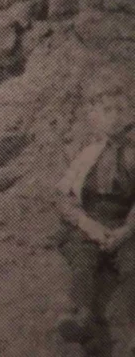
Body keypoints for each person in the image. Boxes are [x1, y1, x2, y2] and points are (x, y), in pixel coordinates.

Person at [55, 68, 135, 349]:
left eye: (119, 109)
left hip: (124, 221)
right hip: (90, 219)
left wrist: (126, 230)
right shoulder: (86, 155)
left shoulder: (132, 154)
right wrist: (87, 224)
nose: (113, 116)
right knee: (82, 258)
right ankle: (81, 315)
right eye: (106, 109)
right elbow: (64, 197)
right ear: (94, 116)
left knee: (131, 264)